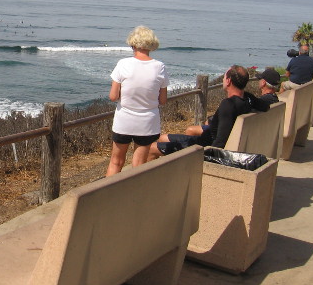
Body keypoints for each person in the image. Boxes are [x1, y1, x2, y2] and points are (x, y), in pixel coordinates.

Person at [148, 65, 270, 157]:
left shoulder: (228, 105)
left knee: (151, 149)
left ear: (228, 81)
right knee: (163, 138)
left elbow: (220, 142)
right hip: (201, 140)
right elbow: (265, 106)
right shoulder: (248, 98)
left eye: (224, 76)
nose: (223, 79)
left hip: (202, 148)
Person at [105, 26, 169, 176]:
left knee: (116, 162)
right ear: (151, 45)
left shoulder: (123, 64)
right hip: (147, 122)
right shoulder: (159, 67)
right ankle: (133, 196)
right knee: (139, 165)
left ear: (133, 44)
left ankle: (107, 196)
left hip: (124, 120)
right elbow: (163, 100)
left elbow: (113, 96)